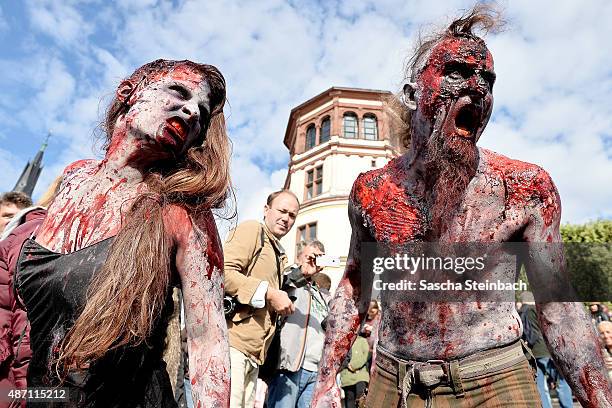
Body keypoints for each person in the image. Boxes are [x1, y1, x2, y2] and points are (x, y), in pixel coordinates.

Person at [312, 6, 612, 408]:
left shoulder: (524, 189)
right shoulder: (372, 191)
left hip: (498, 379)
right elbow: (353, 286)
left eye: (487, 79)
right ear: (414, 92)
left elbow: (558, 304)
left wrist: (599, 398)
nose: (478, 88)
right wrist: (327, 378)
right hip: (394, 381)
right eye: (456, 72)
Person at [14, 59, 232, 407]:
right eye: (179, 92)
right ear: (129, 92)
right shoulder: (73, 179)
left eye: (202, 114)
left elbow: (209, 343)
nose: (192, 112)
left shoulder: (182, 214)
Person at [224, 190, 299, 408]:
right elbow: (223, 272)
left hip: (254, 352)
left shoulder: (276, 250)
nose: (286, 218)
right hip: (233, 344)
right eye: (282, 211)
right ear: (266, 210)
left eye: (292, 215)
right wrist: (269, 293)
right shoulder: (253, 230)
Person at [267, 240, 329, 408]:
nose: (313, 261)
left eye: (318, 258)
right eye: (310, 256)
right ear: (300, 256)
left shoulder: (321, 293)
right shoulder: (290, 278)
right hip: (290, 366)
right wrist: (303, 272)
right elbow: (283, 284)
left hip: (315, 370)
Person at [519, 292, 573, 408]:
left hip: (532, 352)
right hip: (546, 349)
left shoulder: (520, 313)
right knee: (561, 381)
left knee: (541, 386)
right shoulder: (536, 310)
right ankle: (567, 406)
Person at [339, 335, 370, 408]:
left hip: (360, 376)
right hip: (347, 377)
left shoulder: (362, 340)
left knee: (361, 400)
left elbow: (367, 355)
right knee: (350, 403)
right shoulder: (344, 341)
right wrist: (347, 365)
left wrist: (354, 365)